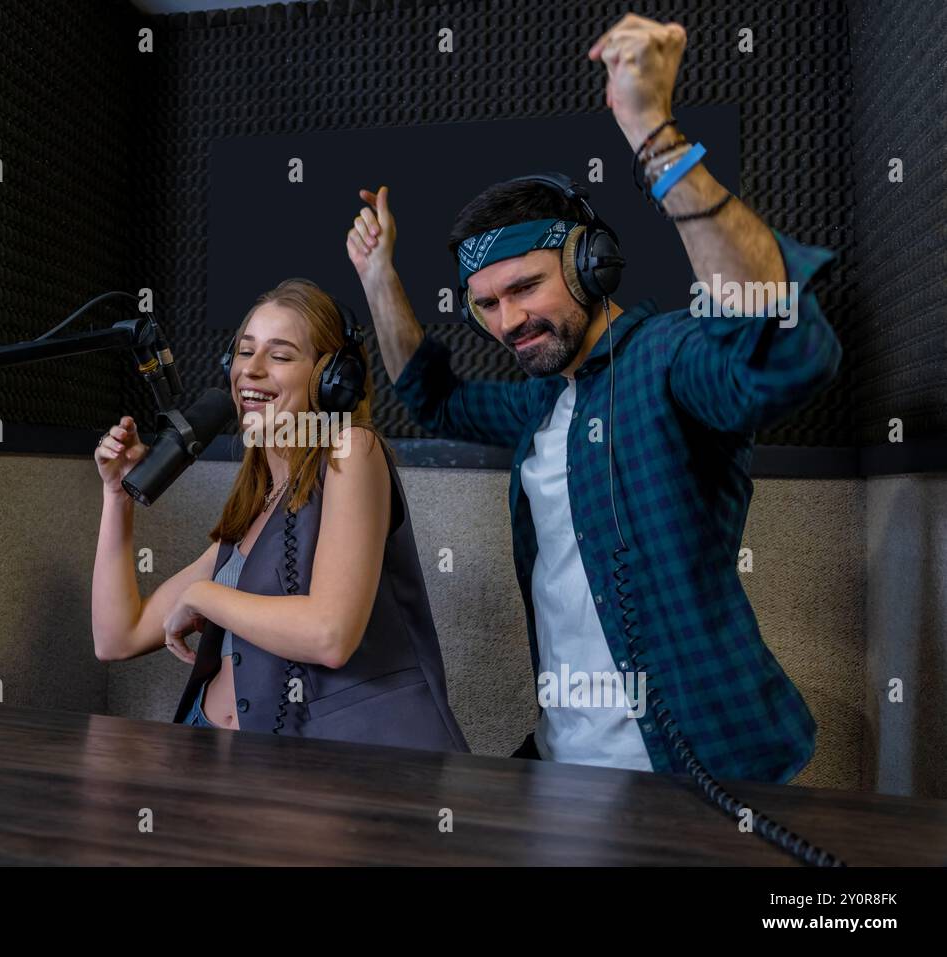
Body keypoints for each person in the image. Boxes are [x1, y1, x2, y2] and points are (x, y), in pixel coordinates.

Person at [344, 14, 839, 782]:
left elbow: (781, 348)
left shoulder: (668, 358)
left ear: (592, 265)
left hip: (702, 769)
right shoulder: (541, 407)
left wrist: (653, 133)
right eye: (487, 304)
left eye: (524, 288)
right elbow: (432, 397)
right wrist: (380, 279)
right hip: (563, 765)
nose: (507, 322)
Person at [91, 278, 468, 752]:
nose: (252, 370)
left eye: (281, 355)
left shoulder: (352, 450)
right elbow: (116, 638)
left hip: (327, 769)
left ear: (333, 379)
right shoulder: (257, 506)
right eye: (245, 353)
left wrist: (203, 596)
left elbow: (330, 634)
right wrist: (116, 498)